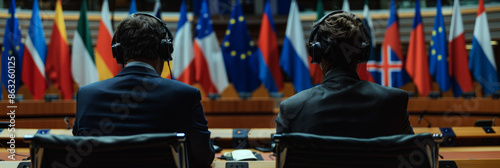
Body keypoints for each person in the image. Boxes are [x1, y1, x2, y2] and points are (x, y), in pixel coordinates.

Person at [72, 13, 214, 167]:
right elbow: (203, 158)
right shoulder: (186, 95)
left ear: (118, 53)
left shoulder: (87, 95)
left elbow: (79, 154)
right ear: (164, 50)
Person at [275, 11, 413, 138]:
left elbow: (282, 160)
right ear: (363, 53)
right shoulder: (394, 102)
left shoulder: (292, 108)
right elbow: (412, 151)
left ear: (317, 54)